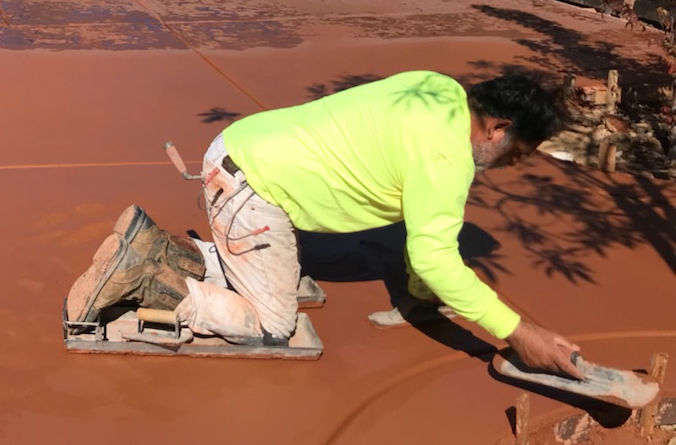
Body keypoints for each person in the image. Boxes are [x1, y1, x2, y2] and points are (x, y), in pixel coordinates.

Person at [65, 70, 583, 377]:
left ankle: (155, 245)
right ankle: (149, 279)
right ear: (498, 128)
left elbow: (426, 230)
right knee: (272, 327)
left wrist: (421, 293)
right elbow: (433, 253)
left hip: (240, 150)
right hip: (252, 190)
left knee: (272, 271)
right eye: (519, 154)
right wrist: (520, 333)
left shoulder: (439, 90)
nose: (514, 165)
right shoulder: (447, 159)